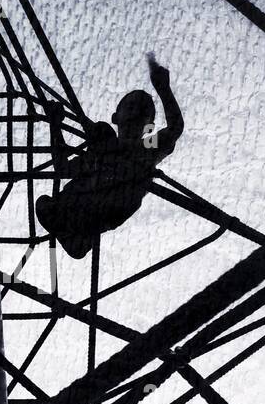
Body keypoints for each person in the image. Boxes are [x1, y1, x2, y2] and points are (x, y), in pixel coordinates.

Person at [35, 54, 184, 259]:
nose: (136, 110)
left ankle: (80, 233)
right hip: (82, 204)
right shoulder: (100, 148)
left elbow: (175, 128)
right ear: (116, 116)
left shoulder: (147, 147)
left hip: (113, 204)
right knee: (44, 202)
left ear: (149, 126)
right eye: (130, 105)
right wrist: (55, 126)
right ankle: (76, 233)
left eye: (143, 110)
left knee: (103, 133)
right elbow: (63, 169)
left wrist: (163, 89)